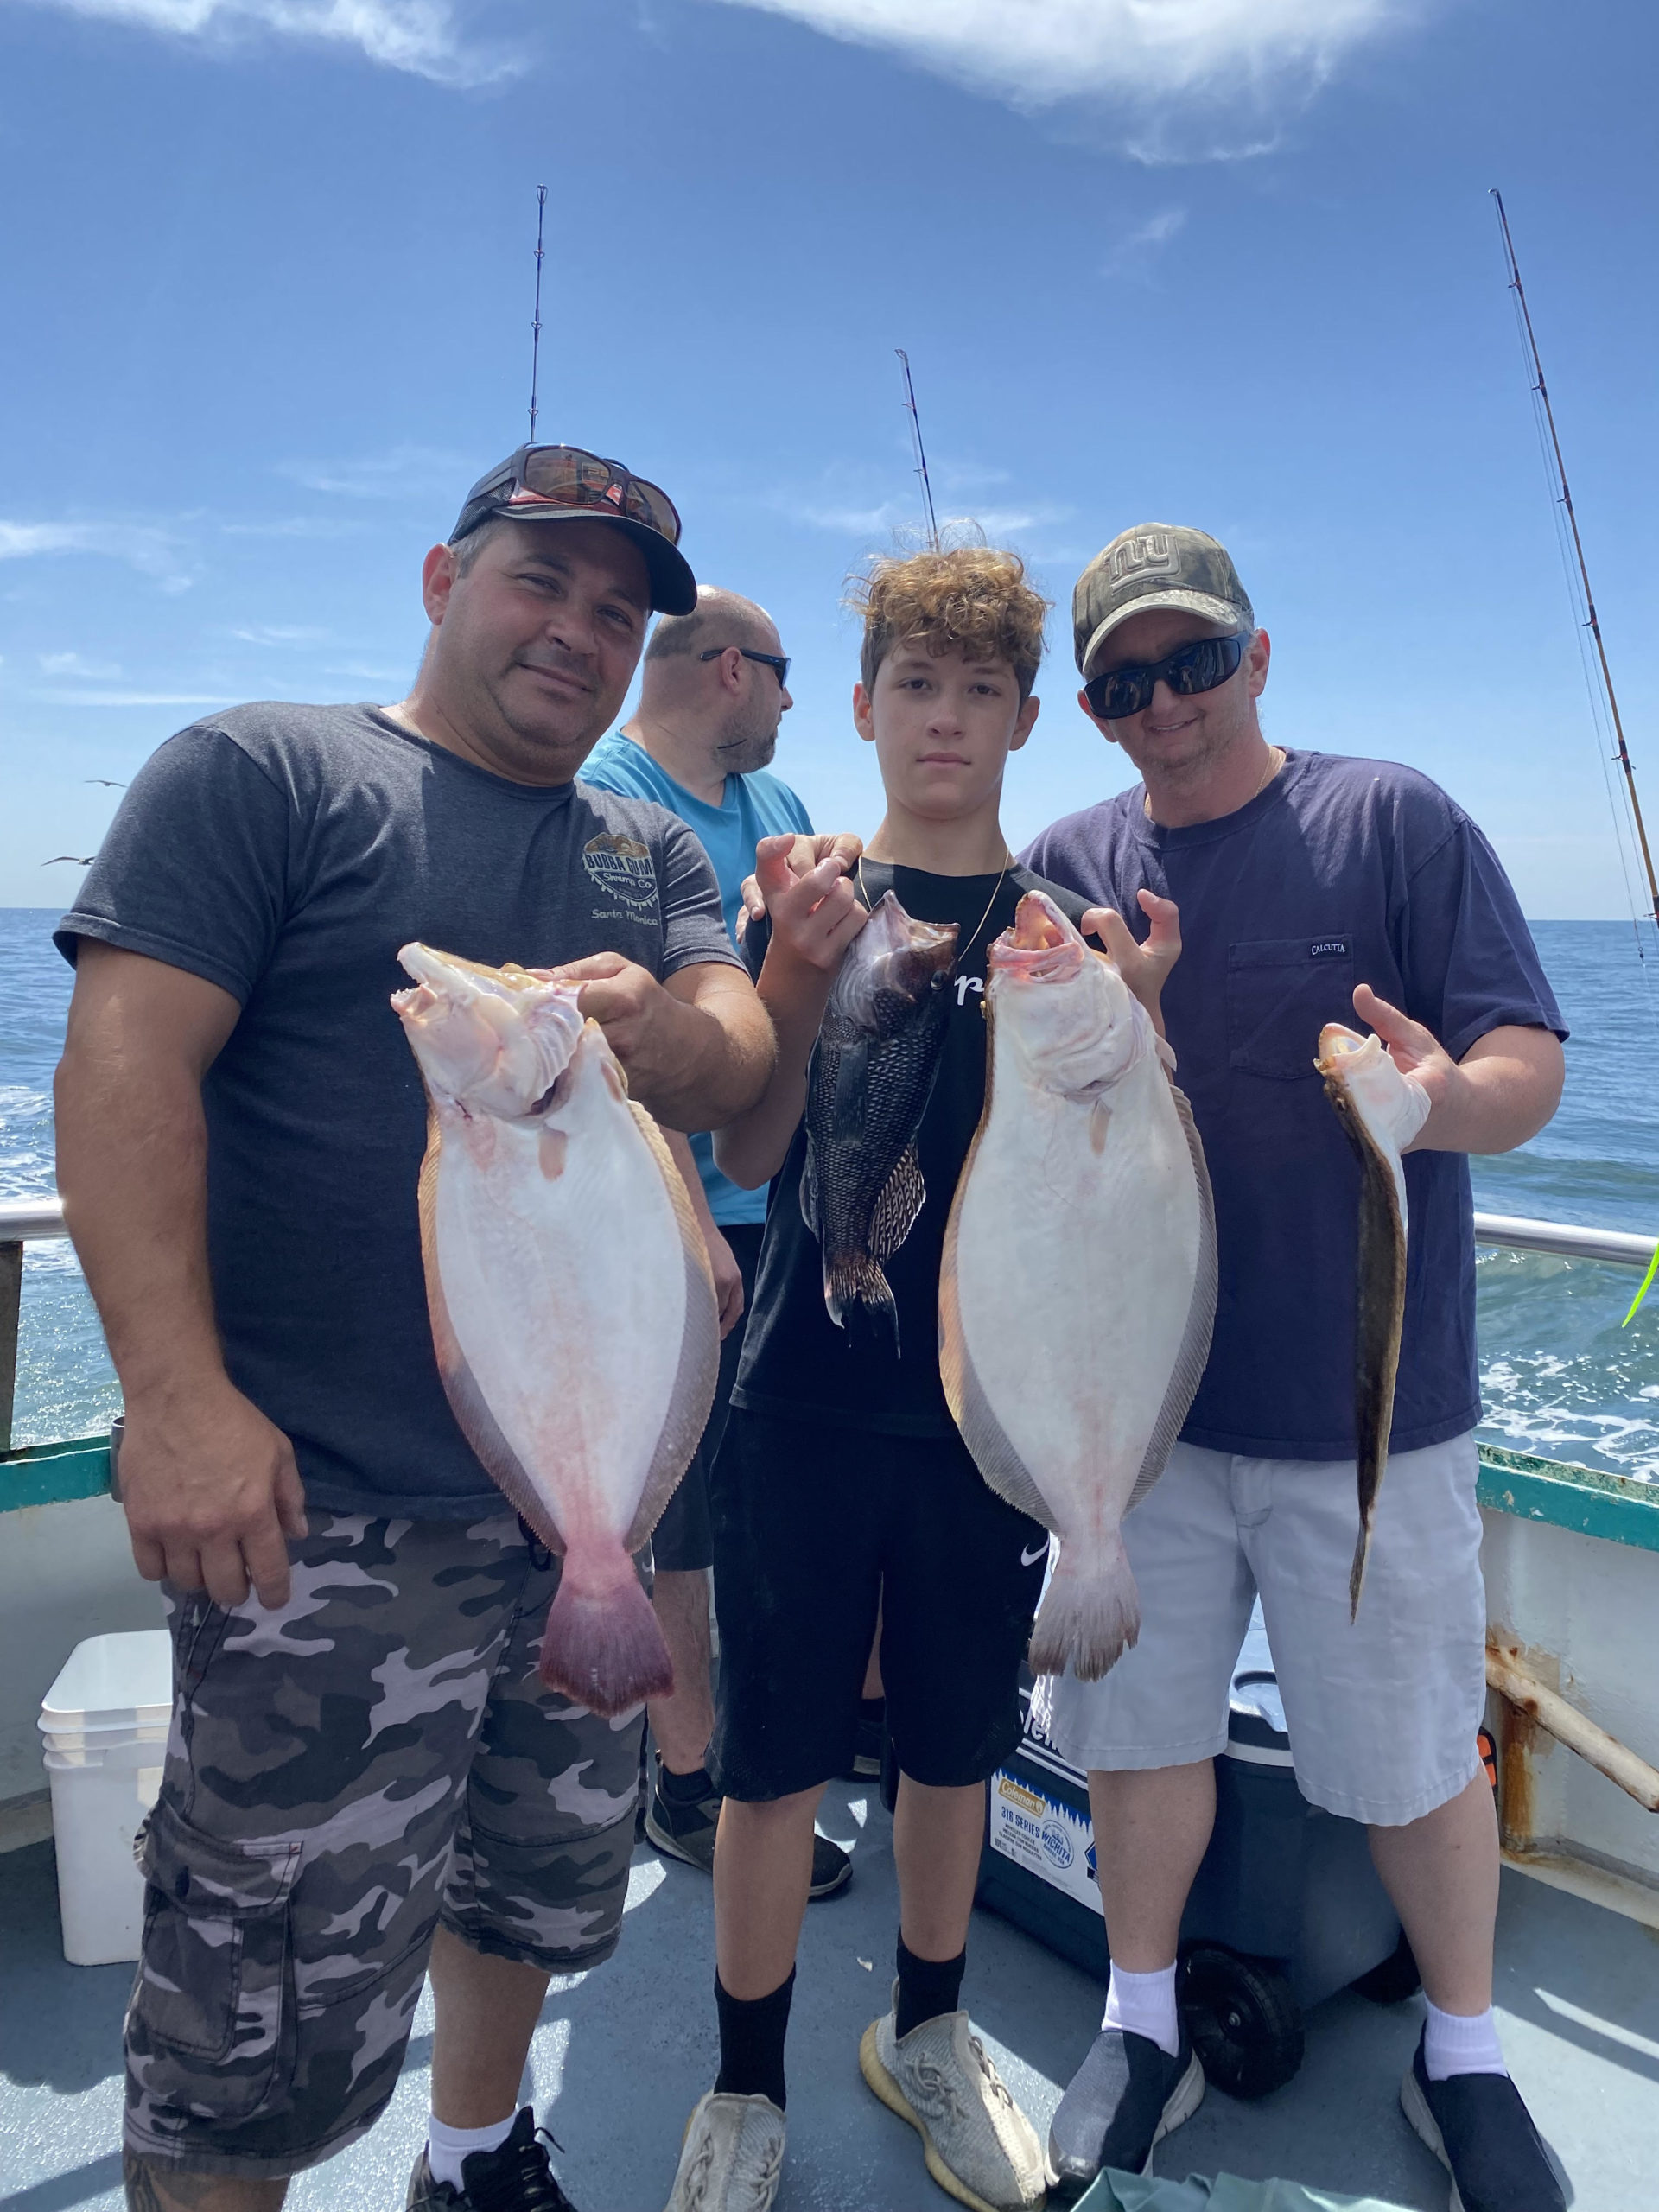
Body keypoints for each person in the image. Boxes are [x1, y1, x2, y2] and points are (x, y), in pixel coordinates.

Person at [53, 442, 776, 2212]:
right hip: (321, 1507)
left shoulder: (643, 839)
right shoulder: (267, 771)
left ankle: (475, 2148)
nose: (577, 631)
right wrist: (175, 1399)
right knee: (259, 2000)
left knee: (529, 1884)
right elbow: (125, 1064)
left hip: (577, 1500)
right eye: (540, 581)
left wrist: (663, 1039)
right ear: (445, 583)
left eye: (618, 613)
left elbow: (739, 1049)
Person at [1020, 524, 1568, 2212]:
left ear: (1259, 657)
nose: (1165, 703)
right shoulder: (1067, 860)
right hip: (1140, 1415)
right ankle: (1139, 2012)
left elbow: (1525, 1059)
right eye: (1125, 682)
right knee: (1135, 1729)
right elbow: (1040, 1115)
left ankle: (1464, 2047)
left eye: (1193, 663)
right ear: (1096, 706)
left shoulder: (1389, 817)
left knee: (1413, 1747)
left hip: (1369, 1409)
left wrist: (1438, 1105)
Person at [659, 544, 1166, 2212]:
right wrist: (793, 971)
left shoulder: (1063, 934)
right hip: (798, 1392)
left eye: (981, 692)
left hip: (995, 1417)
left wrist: (1137, 1027)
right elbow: (748, 1141)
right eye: (916, 687)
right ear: (864, 706)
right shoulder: (795, 894)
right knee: (771, 1754)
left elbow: (1122, 1195)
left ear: (1031, 719)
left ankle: (931, 2035)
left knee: (957, 1742)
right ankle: (744, 2090)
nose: (946, 721)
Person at [582, 589, 849, 1901]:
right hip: (663, 1239)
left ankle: (766, 1753)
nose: (795, 707)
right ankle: (683, 1787)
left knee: (769, 1509)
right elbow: (599, 1067)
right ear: (735, 670)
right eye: (788, 681)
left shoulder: (782, 811)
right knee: (676, 1529)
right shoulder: (601, 803)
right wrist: (688, 1226)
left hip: (787, 1216)